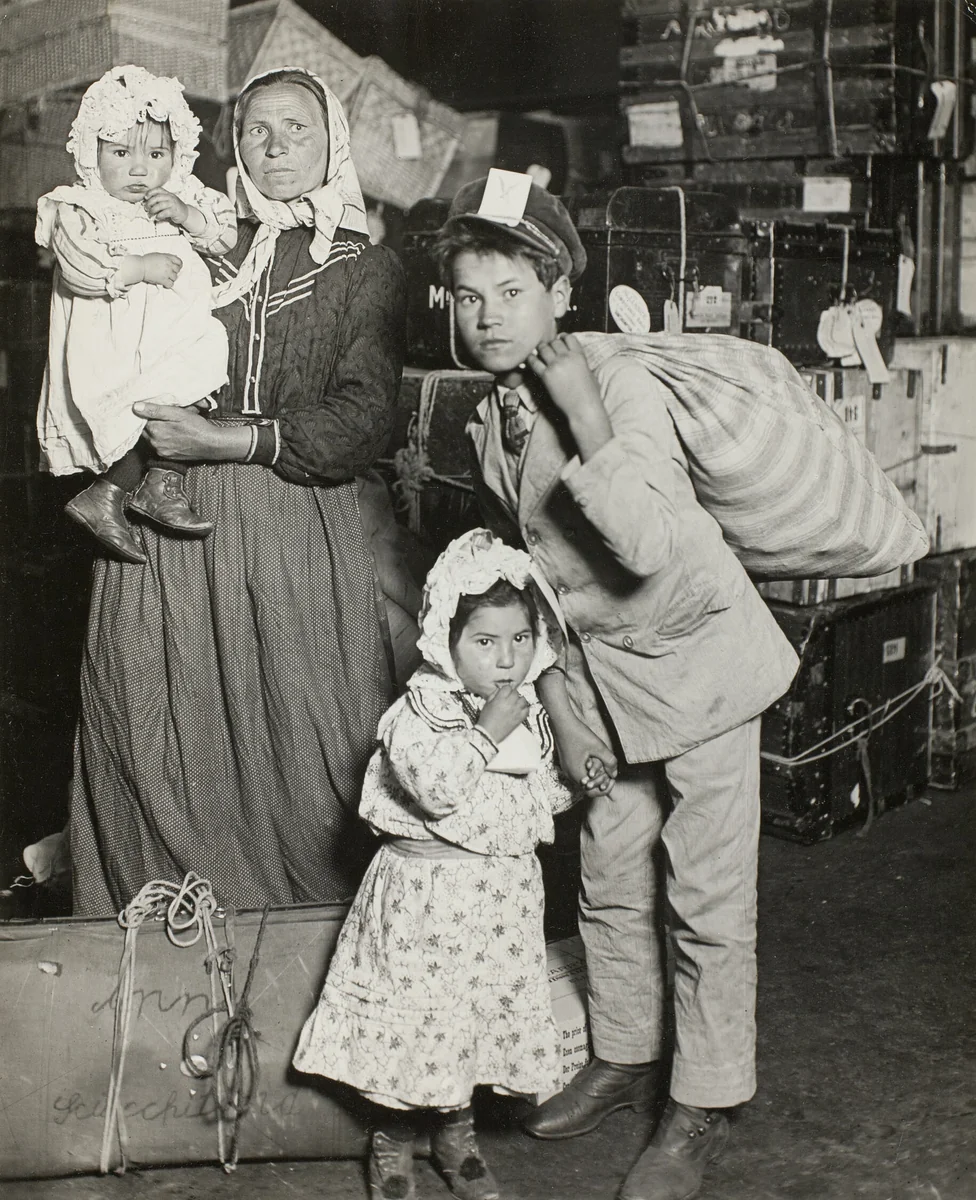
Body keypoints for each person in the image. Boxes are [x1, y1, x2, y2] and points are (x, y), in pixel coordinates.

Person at [430, 174, 800, 1200]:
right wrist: (555, 705)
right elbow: (530, 579)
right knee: (605, 874)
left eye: (509, 289)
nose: (488, 313)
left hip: (697, 664)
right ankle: (627, 1052)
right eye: (467, 295)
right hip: (597, 680)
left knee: (706, 896)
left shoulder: (618, 382)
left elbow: (638, 541)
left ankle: (705, 1100)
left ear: (559, 289)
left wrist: (586, 412)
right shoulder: (489, 410)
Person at [69, 67, 407, 916]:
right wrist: (78, 255)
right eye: (257, 129)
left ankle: (309, 948)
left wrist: (226, 437)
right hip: (164, 517)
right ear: (234, 148)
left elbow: (365, 418)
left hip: (290, 515)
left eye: (297, 126)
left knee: (308, 739)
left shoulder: (366, 267)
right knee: (153, 725)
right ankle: (163, 950)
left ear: (332, 142)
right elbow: (102, 280)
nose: (277, 143)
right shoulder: (198, 239)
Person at [292, 528, 609, 1200]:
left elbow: (529, 798)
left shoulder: (525, 716)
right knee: (418, 1024)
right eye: (485, 642)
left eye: (520, 640)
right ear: (446, 639)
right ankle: (392, 1139)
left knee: (469, 1022)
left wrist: (578, 778)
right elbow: (438, 787)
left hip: (494, 904)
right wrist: (487, 729)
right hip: (424, 902)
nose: (505, 660)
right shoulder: (419, 713)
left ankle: (456, 1136)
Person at [35, 65, 238, 563]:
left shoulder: (181, 196)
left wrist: (188, 216)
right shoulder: (81, 207)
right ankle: (112, 490)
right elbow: (79, 267)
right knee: (139, 408)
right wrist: (138, 266)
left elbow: (227, 236)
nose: (139, 169)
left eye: (156, 154)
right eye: (121, 153)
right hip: (117, 338)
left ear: (177, 156)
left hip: (176, 332)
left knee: (198, 377)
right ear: (92, 154)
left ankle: (155, 484)